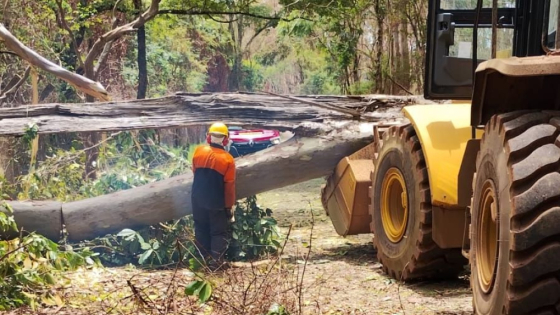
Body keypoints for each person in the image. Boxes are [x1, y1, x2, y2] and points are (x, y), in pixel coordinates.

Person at [191, 122, 236, 270]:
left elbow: (195, 171)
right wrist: (229, 207)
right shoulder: (228, 159)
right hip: (216, 200)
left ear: (208, 137)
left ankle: (202, 261)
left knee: (201, 229)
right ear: (225, 140)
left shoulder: (198, 151)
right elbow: (229, 187)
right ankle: (217, 262)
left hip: (197, 198)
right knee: (218, 232)